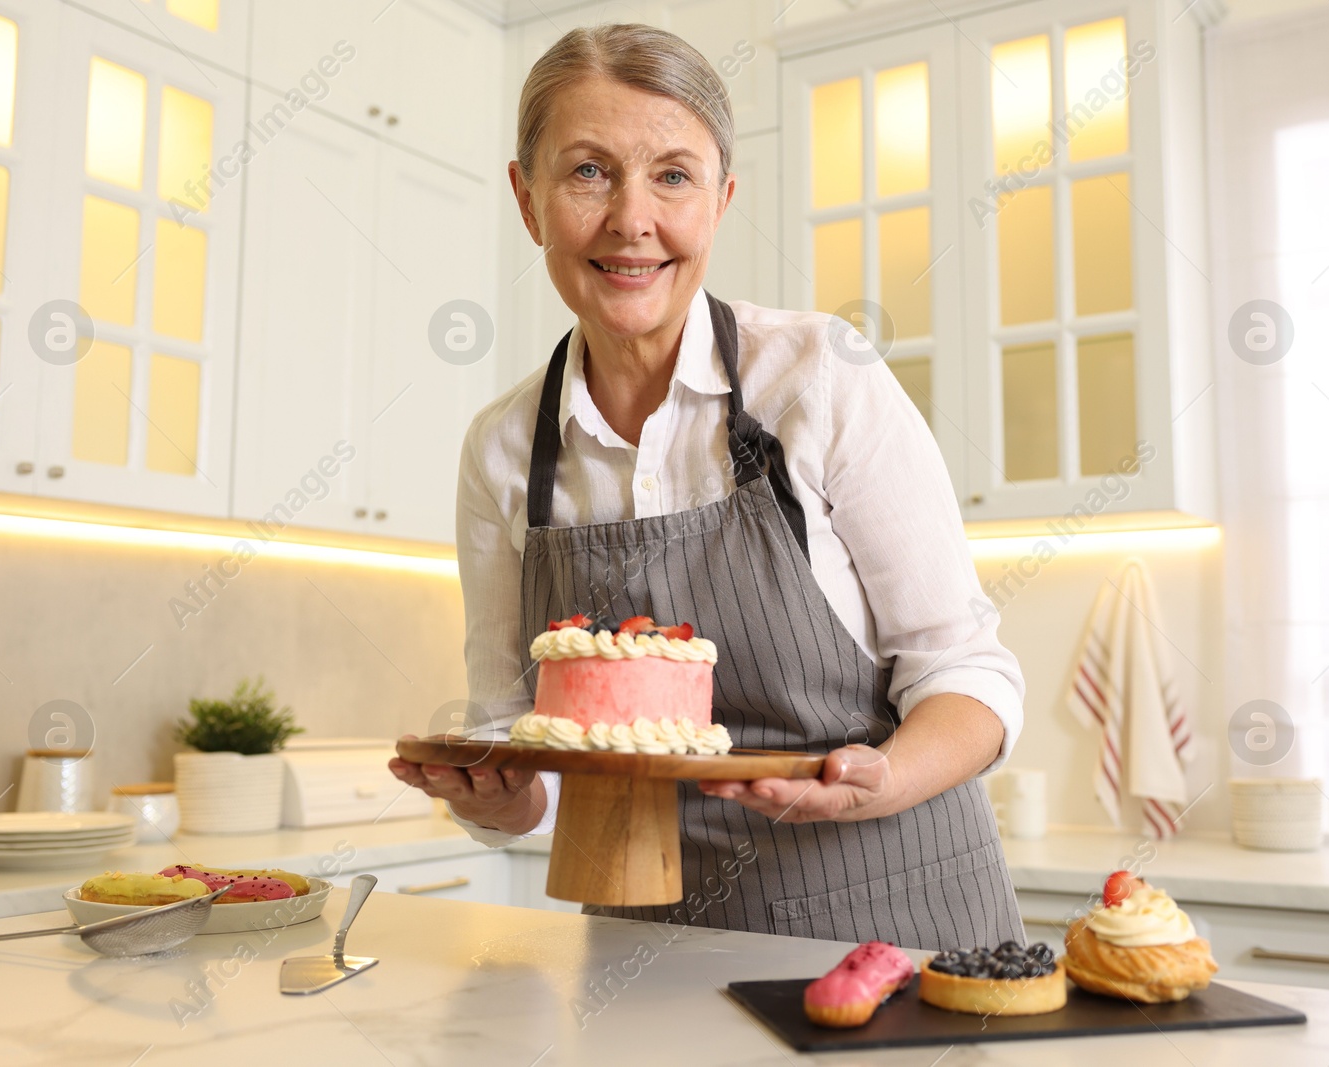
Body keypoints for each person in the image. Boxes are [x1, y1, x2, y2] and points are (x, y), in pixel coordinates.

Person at [389, 23, 1026, 948]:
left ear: (722, 199)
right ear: (528, 202)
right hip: (644, 947)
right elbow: (523, 744)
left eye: (673, 175)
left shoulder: (819, 377)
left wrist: (878, 779)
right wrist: (494, 794)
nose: (631, 220)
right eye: (588, 172)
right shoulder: (500, 452)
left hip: (894, 922)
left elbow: (968, 674)